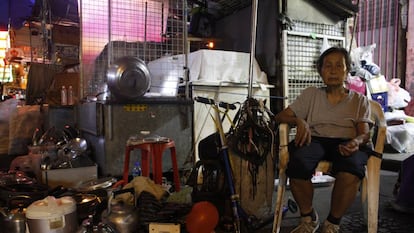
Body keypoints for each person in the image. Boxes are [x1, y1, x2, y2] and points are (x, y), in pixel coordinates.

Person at [275, 46, 372, 233]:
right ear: (320, 71)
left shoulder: (359, 100)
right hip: (316, 139)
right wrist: (298, 120)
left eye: (339, 66)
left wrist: (357, 142)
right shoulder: (311, 94)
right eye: (328, 66)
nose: (333, 70)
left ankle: (332, 223)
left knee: (351, 169)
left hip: (347, 141)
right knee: (297, 164)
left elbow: (364, 133)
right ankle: (308, 217)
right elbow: (280, 117)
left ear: (347, 71)